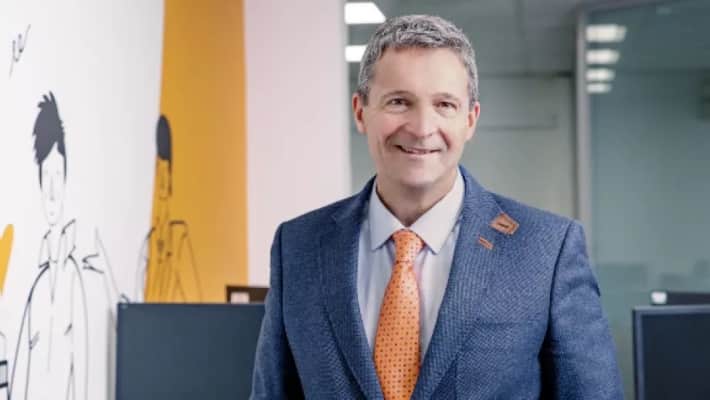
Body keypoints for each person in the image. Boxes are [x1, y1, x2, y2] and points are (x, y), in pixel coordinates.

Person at [251, 15, 622, 399]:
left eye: (444, 104)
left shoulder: (546, 250)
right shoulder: (298, 247)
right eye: (399, 102)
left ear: (470, 120)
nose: (422, 127)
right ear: (361, 111)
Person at [136, 115, 202, 302]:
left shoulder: (179, 237)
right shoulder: (148, 244)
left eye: (164, 170)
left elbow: (198, 308)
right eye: (157, 170)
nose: (161, 180)